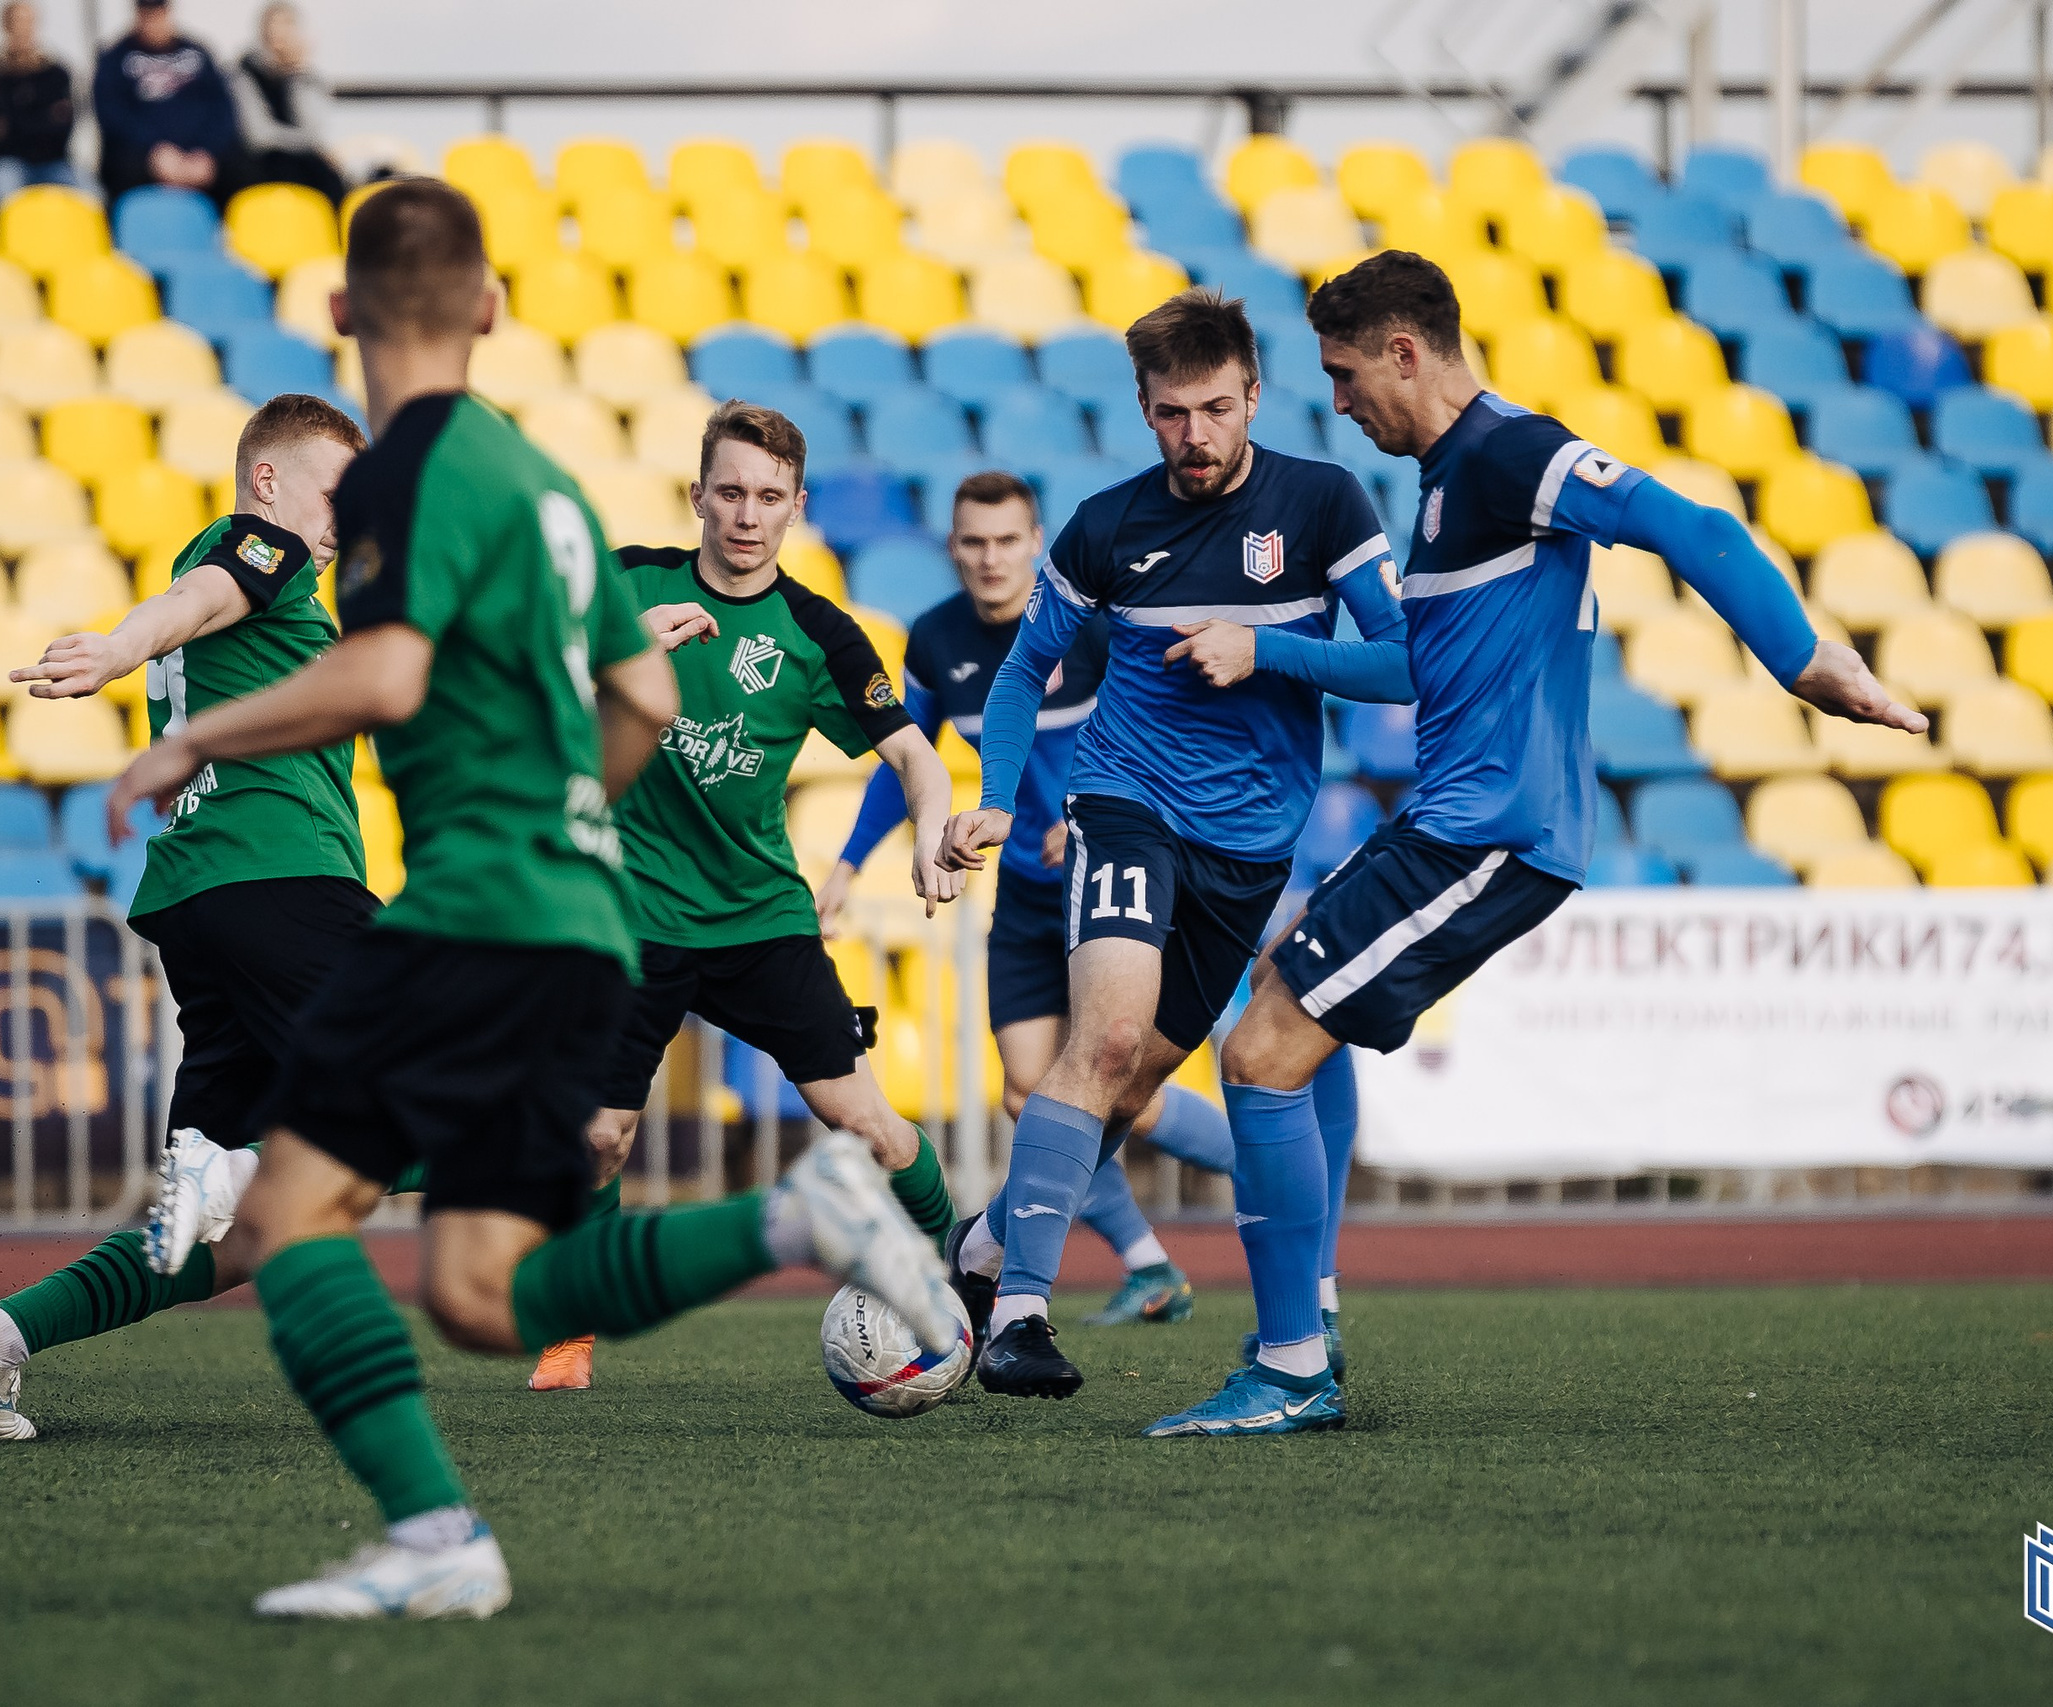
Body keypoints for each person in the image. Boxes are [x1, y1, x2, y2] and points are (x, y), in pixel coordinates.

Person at [106, 179, 961, 1618]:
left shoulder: (399, 479)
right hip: (569, 903)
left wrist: (198, 732)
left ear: (337, 314)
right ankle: (797, 1217)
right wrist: (576, 809)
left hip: (480, 899)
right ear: (492, 311)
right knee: (482, 1284)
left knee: (286, 1219)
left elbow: (382, 678)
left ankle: (437, 1535)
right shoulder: (547, 488)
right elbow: (634, 690)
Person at [1137, 250, 1928, 1438]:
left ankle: (1293, 1365)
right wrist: (1273, 652)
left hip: (1490, 831)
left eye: (1347, 376)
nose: (1340, 404)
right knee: (1280, 1002)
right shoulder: (1453, 481)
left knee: (1257, 1052)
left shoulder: (1508, 453)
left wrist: (1800, 659)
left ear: (1407, 352)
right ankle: (1308, 1316)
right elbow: (1417, 664)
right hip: (1453, 823)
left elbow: (1690, 526)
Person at [937, 289, 1413, 1403]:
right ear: (1142, 410)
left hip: (1248, 849)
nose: (1192, 437)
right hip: (1125, 803)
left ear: (1254, 394)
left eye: (1212, 409)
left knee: (1140, 1074)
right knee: (1101, 1039)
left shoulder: (1324, 504)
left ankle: (983, 1246)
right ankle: (1017, 1320)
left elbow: (1404, 664)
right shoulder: (1106, 527)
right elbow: (1023, 672)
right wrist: (999, 796)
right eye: (1168, 414)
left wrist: (1268, 652)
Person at [0, 393, 373, 1441]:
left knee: (219, 1238)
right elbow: (204, 595)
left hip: (210, 902)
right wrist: (121, 647)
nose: (350, 515)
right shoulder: (263, 547)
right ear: (268, 480)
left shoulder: (269, 588)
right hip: (281, 881)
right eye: (335, 491)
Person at [524, 399, 969, 1394]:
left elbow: (908, 750)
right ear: (698, 495)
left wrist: (934, 825)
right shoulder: (627, 579)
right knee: (599, 1136)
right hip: (631, 915)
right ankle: (570, 1336)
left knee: (871, 1126)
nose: (746, 514)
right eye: (728, 491)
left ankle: (960, 1273)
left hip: (759, 919)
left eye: (769, 496)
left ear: (797, 507)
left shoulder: (817, 634)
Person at [816, 470, 1240, 1331]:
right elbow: (905, 760)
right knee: (1026, 1092)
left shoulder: (1087, 626)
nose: (990, 558)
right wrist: (850, 864)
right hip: (1025, 899)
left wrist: (1104, 813)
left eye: (1008, 540)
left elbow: (1160, 732)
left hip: (1111, 879)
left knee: (1110, 1089)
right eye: (973, 542)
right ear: (952, 547)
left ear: (1036, 541)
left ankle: (1256, 1163)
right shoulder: (937, 640)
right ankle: (1151, 1265)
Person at [93, 0, 239, 207]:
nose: (154, 20)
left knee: (242, 168)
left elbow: (223, 107)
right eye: (147, 13)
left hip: (200, 154)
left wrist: (206, 151)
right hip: (144, 155)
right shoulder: (114, 58)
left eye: (159, 12)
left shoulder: (198, 52)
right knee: (124, 167)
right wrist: (155, 152)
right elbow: (112, 116)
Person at [0, 1, 80, 209]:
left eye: (28, 23)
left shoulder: (56, 74)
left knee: (90, 197)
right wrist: (42, 121)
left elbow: (64, 131)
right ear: (5, 27)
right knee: (4, 193)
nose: (24, 30)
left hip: (53, 163)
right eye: (17, 23)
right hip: (5, 163)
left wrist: (8, 127)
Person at [232, 3, 346, 207]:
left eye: (288, 26)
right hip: (264, 162)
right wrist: (308, 146)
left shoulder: (305, 77)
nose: (281, 35)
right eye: (276, 26)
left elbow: (314, 129)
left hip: (303, 161)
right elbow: (259, 136)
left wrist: (298, 74)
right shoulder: (244, 73)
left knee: (331, 177)